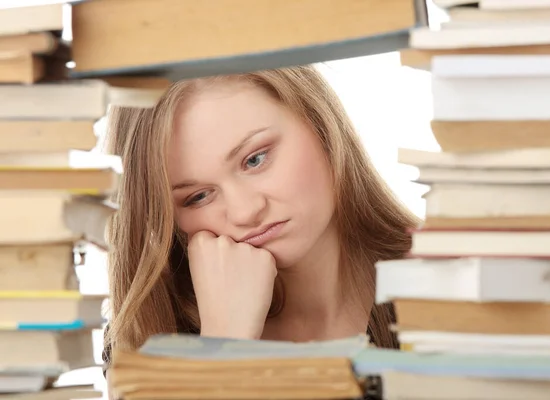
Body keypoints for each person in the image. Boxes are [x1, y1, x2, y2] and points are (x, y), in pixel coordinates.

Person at [102, 65, 419, 384]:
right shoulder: (143, 339)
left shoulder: (451, 289)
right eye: (198, 197)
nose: (244, 212)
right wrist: (223, 342)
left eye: (255, 159)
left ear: (318, 120)